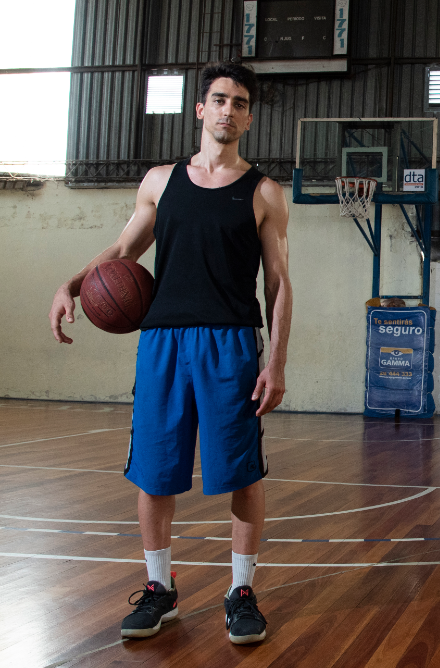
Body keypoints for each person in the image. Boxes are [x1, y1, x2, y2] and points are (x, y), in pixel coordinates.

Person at [48, 61, 291, 644]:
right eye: (218, 99)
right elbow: (122, 251)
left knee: (240, 472)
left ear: (249, 117)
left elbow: (278, 284)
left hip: (230, 343)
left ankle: (241, 592)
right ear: (200, 110)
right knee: (155, 473)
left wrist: (276, 361)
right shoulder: (160, 181)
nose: (227, 109)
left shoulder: (263, 192)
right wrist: (73, 284)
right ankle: (160, 589)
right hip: (160, 343)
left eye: (238, 102)